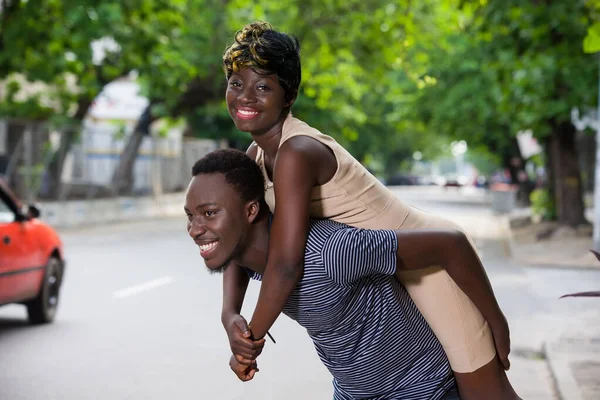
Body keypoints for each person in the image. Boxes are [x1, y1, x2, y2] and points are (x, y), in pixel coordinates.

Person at [220, 21, 518, 399]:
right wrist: (230, 314)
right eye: (236, 84)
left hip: (429, 265)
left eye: (263, 86)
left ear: (288, 95)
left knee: (487, 394)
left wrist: (252, 338)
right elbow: (241, 235)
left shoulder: (296, 153)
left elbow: (285, 264)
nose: (245, 96)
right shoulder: (257, 155)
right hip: (383, 266)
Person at [186, 149, 479, 399]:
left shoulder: (331, 253)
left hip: (422, 389)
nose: (194, 229)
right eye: (191, 216)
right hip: (353, 392)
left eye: (210, 213)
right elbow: (236, 259)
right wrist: (229, 314)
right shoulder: (249, 252)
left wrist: (497, 325)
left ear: (251, 212)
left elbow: (450, 244)